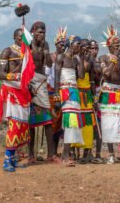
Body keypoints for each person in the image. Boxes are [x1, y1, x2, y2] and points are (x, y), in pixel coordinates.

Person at [0, 28, 31, 172]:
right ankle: (7, 160)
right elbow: (0, 74)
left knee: (22, 126)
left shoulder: (27, 53)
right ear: (14, 37)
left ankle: (14, 158)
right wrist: (16, 77)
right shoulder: (7, 51)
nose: (22, 40)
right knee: (14, 126)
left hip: (23, 92)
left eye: (24, 38)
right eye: (20, 37)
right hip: (12, 93)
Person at [98, 26, 120, 164]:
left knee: (119, 124)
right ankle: (110, 154)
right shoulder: (103, 58)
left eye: (119, 45)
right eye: (115, 46)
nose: (118, 47)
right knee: (108, 124)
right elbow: (106, 74)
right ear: (109, 46)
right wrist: (114, 58)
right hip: (107, 93)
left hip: (118, 93)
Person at [28, 21, 56, 164]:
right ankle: (30, 155)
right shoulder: (27, 45)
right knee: (30, 122)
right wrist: (27, 85)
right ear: (33, 32)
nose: (42, 35)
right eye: (39, 32)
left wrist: (47, 55)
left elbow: (49, 65)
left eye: (44, 32)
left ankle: (51, 155)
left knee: (47, 119)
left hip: (41, 81)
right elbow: (23, 65)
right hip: (30, 82)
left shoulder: (45, 45)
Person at [54, 35, 85, 166]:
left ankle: (66, 153)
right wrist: (56, 96)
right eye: (78, 44)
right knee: (69, 122)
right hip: (64, 92)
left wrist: (80, 60)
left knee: (73, 124)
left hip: (74, 93)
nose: (80, 47)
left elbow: (82, 75)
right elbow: (56, 77)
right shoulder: (61, 57)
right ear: (71, 44)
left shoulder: (75, 59)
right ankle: (65, 155)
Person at [72, 39, 97, 163]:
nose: (86, 49)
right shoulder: (74, 59)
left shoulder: (91, 61)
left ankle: (86, 152)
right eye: (84, 47)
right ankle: (73, 151)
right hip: (76, 94)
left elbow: (92, 81)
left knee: (87, 124)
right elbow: (79, 76)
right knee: (75, 123)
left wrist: (95, 99)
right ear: (80, 47)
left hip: (87, 96)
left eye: (88, 47)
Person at [46, 27, 67, 156]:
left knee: (60, 123)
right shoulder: (50, 57)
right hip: (50, 92)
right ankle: (51, 152)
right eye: (60, 43)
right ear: (55, 44)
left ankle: (55, 151)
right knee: (52, 121)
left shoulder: (66, 58)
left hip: (64, 92)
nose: (62, 46)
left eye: (64, 44)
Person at [89, 39, 104, 164]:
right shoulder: (85, 62)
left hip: (99, 94)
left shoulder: (100, 62)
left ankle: (98, 153)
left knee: (99, 124)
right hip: (86, 94)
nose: (94, 50)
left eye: (96, 48)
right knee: (89, 124)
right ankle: (87, 152)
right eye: (92, 48)